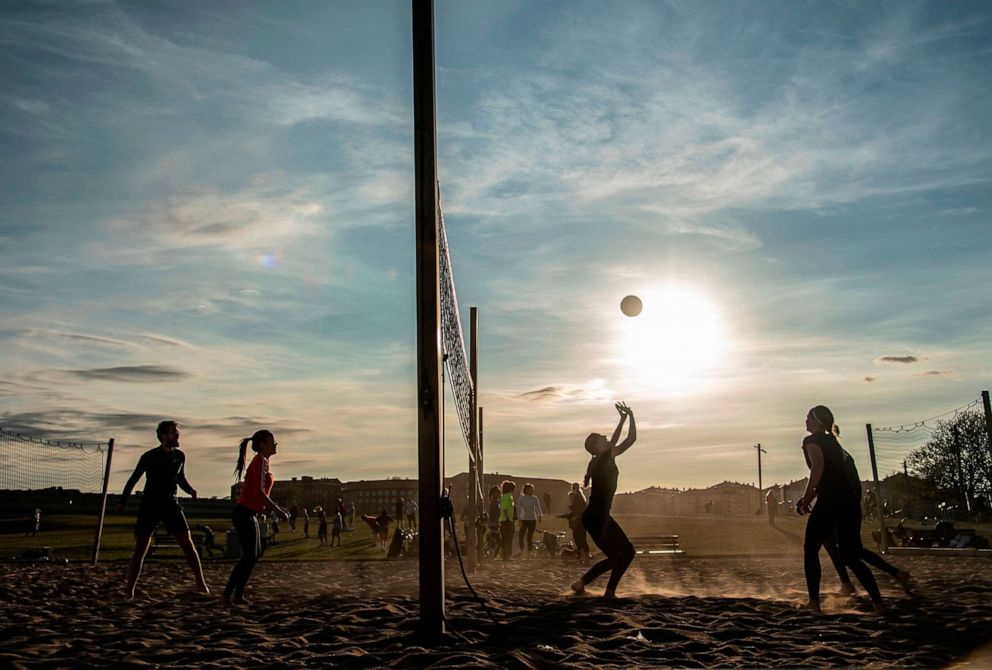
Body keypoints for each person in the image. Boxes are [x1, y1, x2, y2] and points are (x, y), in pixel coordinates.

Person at [797, 405, 884, 615]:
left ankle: (814, 604)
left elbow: (818, 467)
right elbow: (835, 475)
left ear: (816, 421)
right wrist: (813, 494)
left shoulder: (811, 441)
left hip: (831, 502)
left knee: (811, 550)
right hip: (850, 502)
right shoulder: (835, 443)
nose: (805, 420)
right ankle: (879, 605)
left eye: (808, 417)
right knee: (851, 555)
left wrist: (808, 497)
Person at [117, 420, 209, 600]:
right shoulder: (149, 456)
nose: (177, 435)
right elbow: (133, 479)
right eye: (174, 432)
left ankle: (201, 584)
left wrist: (190, 490)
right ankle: (130, 591)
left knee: (187, 543)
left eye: (177, 432)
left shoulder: (180, 456)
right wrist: (123, 501)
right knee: (141, 547)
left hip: (171, 505)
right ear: (163, 436)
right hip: (150, 505)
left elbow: (180, 478)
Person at [571, 402, 637, 599]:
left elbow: (631, 439)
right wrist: (623, 419)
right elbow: (618, 439)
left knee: (616, 557)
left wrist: (631, 417)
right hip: (596, 516)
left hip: (595, 516)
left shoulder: (605, 458)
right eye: (602, 438)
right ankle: (609, 592)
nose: (607, 438)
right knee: (628, 552)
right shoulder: (601, 459)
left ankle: (581, 583)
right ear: (597, 447)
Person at [222, 429, 290, 606]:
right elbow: (259, 493)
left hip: (248, 513)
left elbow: (260, 494)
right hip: (244, 513)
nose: (276, 444)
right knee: (250, 556)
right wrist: (278, 511)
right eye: (272, 441)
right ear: (262, 444)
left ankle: (233, 595)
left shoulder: (263, 462)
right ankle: (232, 595)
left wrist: (275, 508)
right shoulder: (260, 461)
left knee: (254, 554)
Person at [565, 482, 591, 563]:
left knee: (579, 539)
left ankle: (584, 556)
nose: (570, 499)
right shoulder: (581, 499)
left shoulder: (577, 499)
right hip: (581, 522)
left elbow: (579, 511)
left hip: (578, 522)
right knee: (582, 539)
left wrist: (575, 516)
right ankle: (584, 556)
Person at [516, 483, 543, 556]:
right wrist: (519, 520)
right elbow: (519, 510)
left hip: (532, 519)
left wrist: (540, 516)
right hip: (524, 519)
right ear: (526, 490)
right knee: (521, 535)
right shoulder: (521, 498)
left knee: (529, 537)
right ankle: (521, 550)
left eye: (532, 490)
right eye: (530, 490)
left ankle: (529, 552)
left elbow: (538, 508)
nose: (532, 491)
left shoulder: (534, 498)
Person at [498, 480, 516, 560]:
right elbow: (505, 508)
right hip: (506, 520)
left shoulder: (505, 496)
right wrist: (508, 518)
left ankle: (506, 555)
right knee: (507, 538)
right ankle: (506, 555)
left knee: (507, 538)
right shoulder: (507, 496)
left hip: (507, 520)